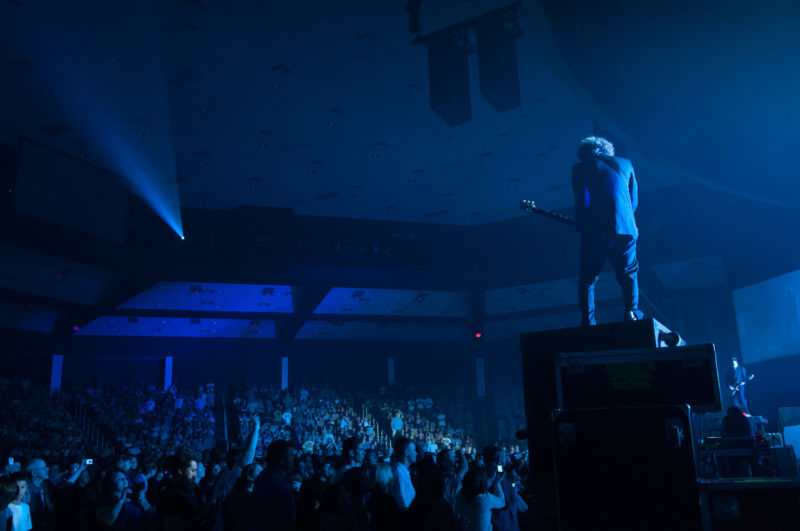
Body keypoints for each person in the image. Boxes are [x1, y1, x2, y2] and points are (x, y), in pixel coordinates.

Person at [572, 136, 641, 326]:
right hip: (626, 228)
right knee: (628, 273)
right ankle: (632, 313)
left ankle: (588, 321)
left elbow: (582, 201)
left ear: (585, 153)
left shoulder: (580, 168)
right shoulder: (626, 163)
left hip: (595, 229)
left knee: (587, 278)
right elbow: (633, 200)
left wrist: (581, 223)